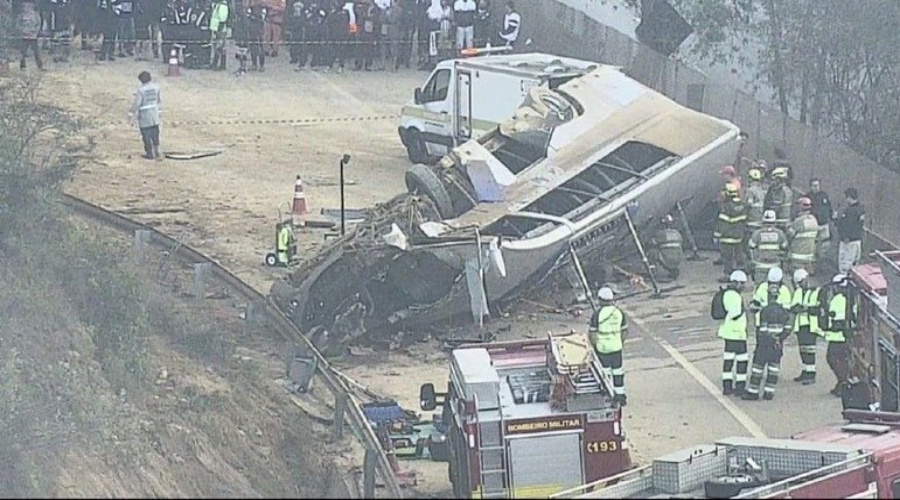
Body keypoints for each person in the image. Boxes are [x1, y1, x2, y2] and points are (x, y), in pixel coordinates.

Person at [742, 283, 792, 401]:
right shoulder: (784, 312)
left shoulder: (765, 311)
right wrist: (779, 339)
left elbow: (763, 330)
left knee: (757, 368)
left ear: (769, 296)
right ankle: (769, 392)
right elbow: (788, 329)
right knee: (773, 369)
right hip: (777, 346)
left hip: (765, 345)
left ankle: (753, 392)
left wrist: (770, 339)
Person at [589, 286, 628, 406]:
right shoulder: (619, 313)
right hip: (616, 347)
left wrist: (594, 346)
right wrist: (619, 342)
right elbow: (624, 331)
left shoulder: (597, 314)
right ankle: (620, 396)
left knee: (605, 373)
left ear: (600, 300)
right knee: (618, 372)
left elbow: (592, 334)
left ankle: (607, 394)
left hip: (602, 348)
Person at [823, 274, 856, 397]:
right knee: (841, 360)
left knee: (833, 358)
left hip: (840, 336)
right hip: (842, 335)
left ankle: (843, 383)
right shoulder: (849, 298)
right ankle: (843, 382)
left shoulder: (840, 299)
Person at [716, 270, 748, 396]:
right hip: (737, 333)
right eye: (742, 283)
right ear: (737, 282)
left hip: (729, 332)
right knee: (742, 360)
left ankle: (727, 386)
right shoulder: (734, 296)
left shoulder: (727, 294)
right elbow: (735, 314)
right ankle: (740, 387)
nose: (744, 286)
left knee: (728, 360)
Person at [790, 268, 822, 385]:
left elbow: (818, 307)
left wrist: (806, 308)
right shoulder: (798, 292)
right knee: (803, 350)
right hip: (800, 325)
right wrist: (799, 308)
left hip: (811, 325)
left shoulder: (816, 291)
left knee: (810, 350)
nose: (800, 285)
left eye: (801, 282)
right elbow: (793, 307)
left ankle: (811, 374)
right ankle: (805, 371)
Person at [714, 181, 747, 281]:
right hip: (738, 237)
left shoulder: (726, 207)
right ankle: (741, 273)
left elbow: (722, 224)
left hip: (727, 238)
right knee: (739, 256)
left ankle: (728, 275)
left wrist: (717, 236)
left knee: (727, 257)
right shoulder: (741, 205)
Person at [128, 71, 163, 161]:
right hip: (154, 113)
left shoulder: (141, 90)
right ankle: (157, 151)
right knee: (155, 132)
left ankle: (149, 153)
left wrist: (131, 112)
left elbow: (137, 103)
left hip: (145, 114)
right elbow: (158, 100)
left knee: (146, 134)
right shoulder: (156, 87)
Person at [747, 210, 787, 284]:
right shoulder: (780, 233)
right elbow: (784, 247)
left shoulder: (757, 233)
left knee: (759, 287)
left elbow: (751, 247)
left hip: (760, 265)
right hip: (775, 265)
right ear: (775, 222)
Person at [750, 266, 792, 331]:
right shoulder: (762, 287)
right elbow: (754, 305)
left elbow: (786, 310)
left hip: (778, 325)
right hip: (762, 324)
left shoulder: (784, 290)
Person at [835, 187, 865, 275]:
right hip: (857, 240)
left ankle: (844, 283)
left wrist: (837, 221)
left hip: (848, 241)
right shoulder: (860, 209)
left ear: (849, 197)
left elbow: (847, 225)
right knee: (855, 264)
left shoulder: (851, 211)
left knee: (845, 264)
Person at [786, 197, 819, 275]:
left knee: (797, 277)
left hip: (797, 255)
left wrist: (788, 225)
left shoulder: (799, 221)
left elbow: (790, 234)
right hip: (809, 255)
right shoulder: (814, 220)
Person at [648, 214, 684, 281]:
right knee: (670, 253)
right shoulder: (677, 233)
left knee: (651, 253)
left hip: (667, 257)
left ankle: (652, 272)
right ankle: (673, 269)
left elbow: (651, 243)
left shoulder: (661, 234)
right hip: (678, 258)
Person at [807, 178, 833, 266]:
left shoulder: (824, 195)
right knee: (813, 245)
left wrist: (831, 216)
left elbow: (828, 207)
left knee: (825, 245)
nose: (816, 188)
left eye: (817, 185)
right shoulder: (808, 197)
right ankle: (812, 264)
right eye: (814, 186)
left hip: (824, 224)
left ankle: (822, 263)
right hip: (814, 225)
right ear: (810, 187)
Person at [15, 0, 44, 70]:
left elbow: (39, 24)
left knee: (36, 52)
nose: (27, 8)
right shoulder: (21, 16)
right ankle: (22, 66)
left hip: (33, 36)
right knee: (23, 52)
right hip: (24, 36)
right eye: (25, 6)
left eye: (29, 6)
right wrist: (23, 30)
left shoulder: (36, 15)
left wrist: (35, 32)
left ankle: (40, 66)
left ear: (33, 6)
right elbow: (17, 25)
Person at [744, 166, 766, 233]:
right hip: (760, 220)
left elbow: (748, 204)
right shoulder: (761, 190)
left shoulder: (750, 190)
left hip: (752, 221)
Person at [208, 0, 228, 70]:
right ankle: (216, 63)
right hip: (216, 29)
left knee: (219, 47)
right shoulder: (217, 5)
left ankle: (220, 64)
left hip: (220, 30)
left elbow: (222, 19)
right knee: (217, 46)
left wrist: (218, 31)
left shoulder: (223, 6)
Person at [248, 3, 267, 71]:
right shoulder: (251, 7)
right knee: (252, 46)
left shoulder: (263, 8)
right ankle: (254, 64)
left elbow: (263, 18)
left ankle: (262, 65)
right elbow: (248, 17)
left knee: (260, 47)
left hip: (260, 29)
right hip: (252, 29)